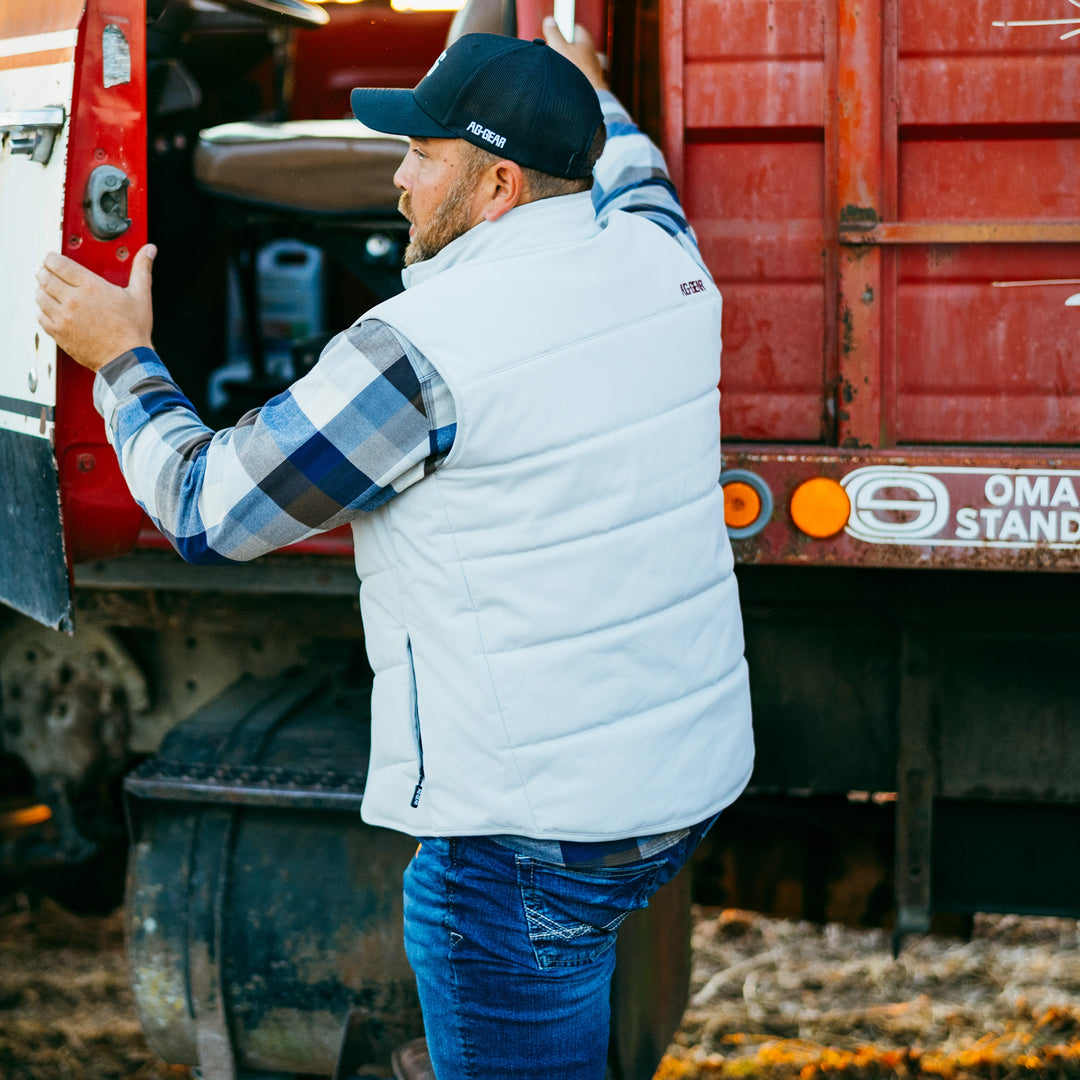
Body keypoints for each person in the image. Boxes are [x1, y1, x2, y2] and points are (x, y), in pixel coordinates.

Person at [36, 22, 753, 1080]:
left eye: (423, 153)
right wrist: (598, 98)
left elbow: (205, 508)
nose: (398, 176)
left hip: (523, 844)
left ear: (501, 185)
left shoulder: (420, 357)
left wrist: (122, 357)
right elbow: (637, 177)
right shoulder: (662, 261)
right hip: (670, 794)